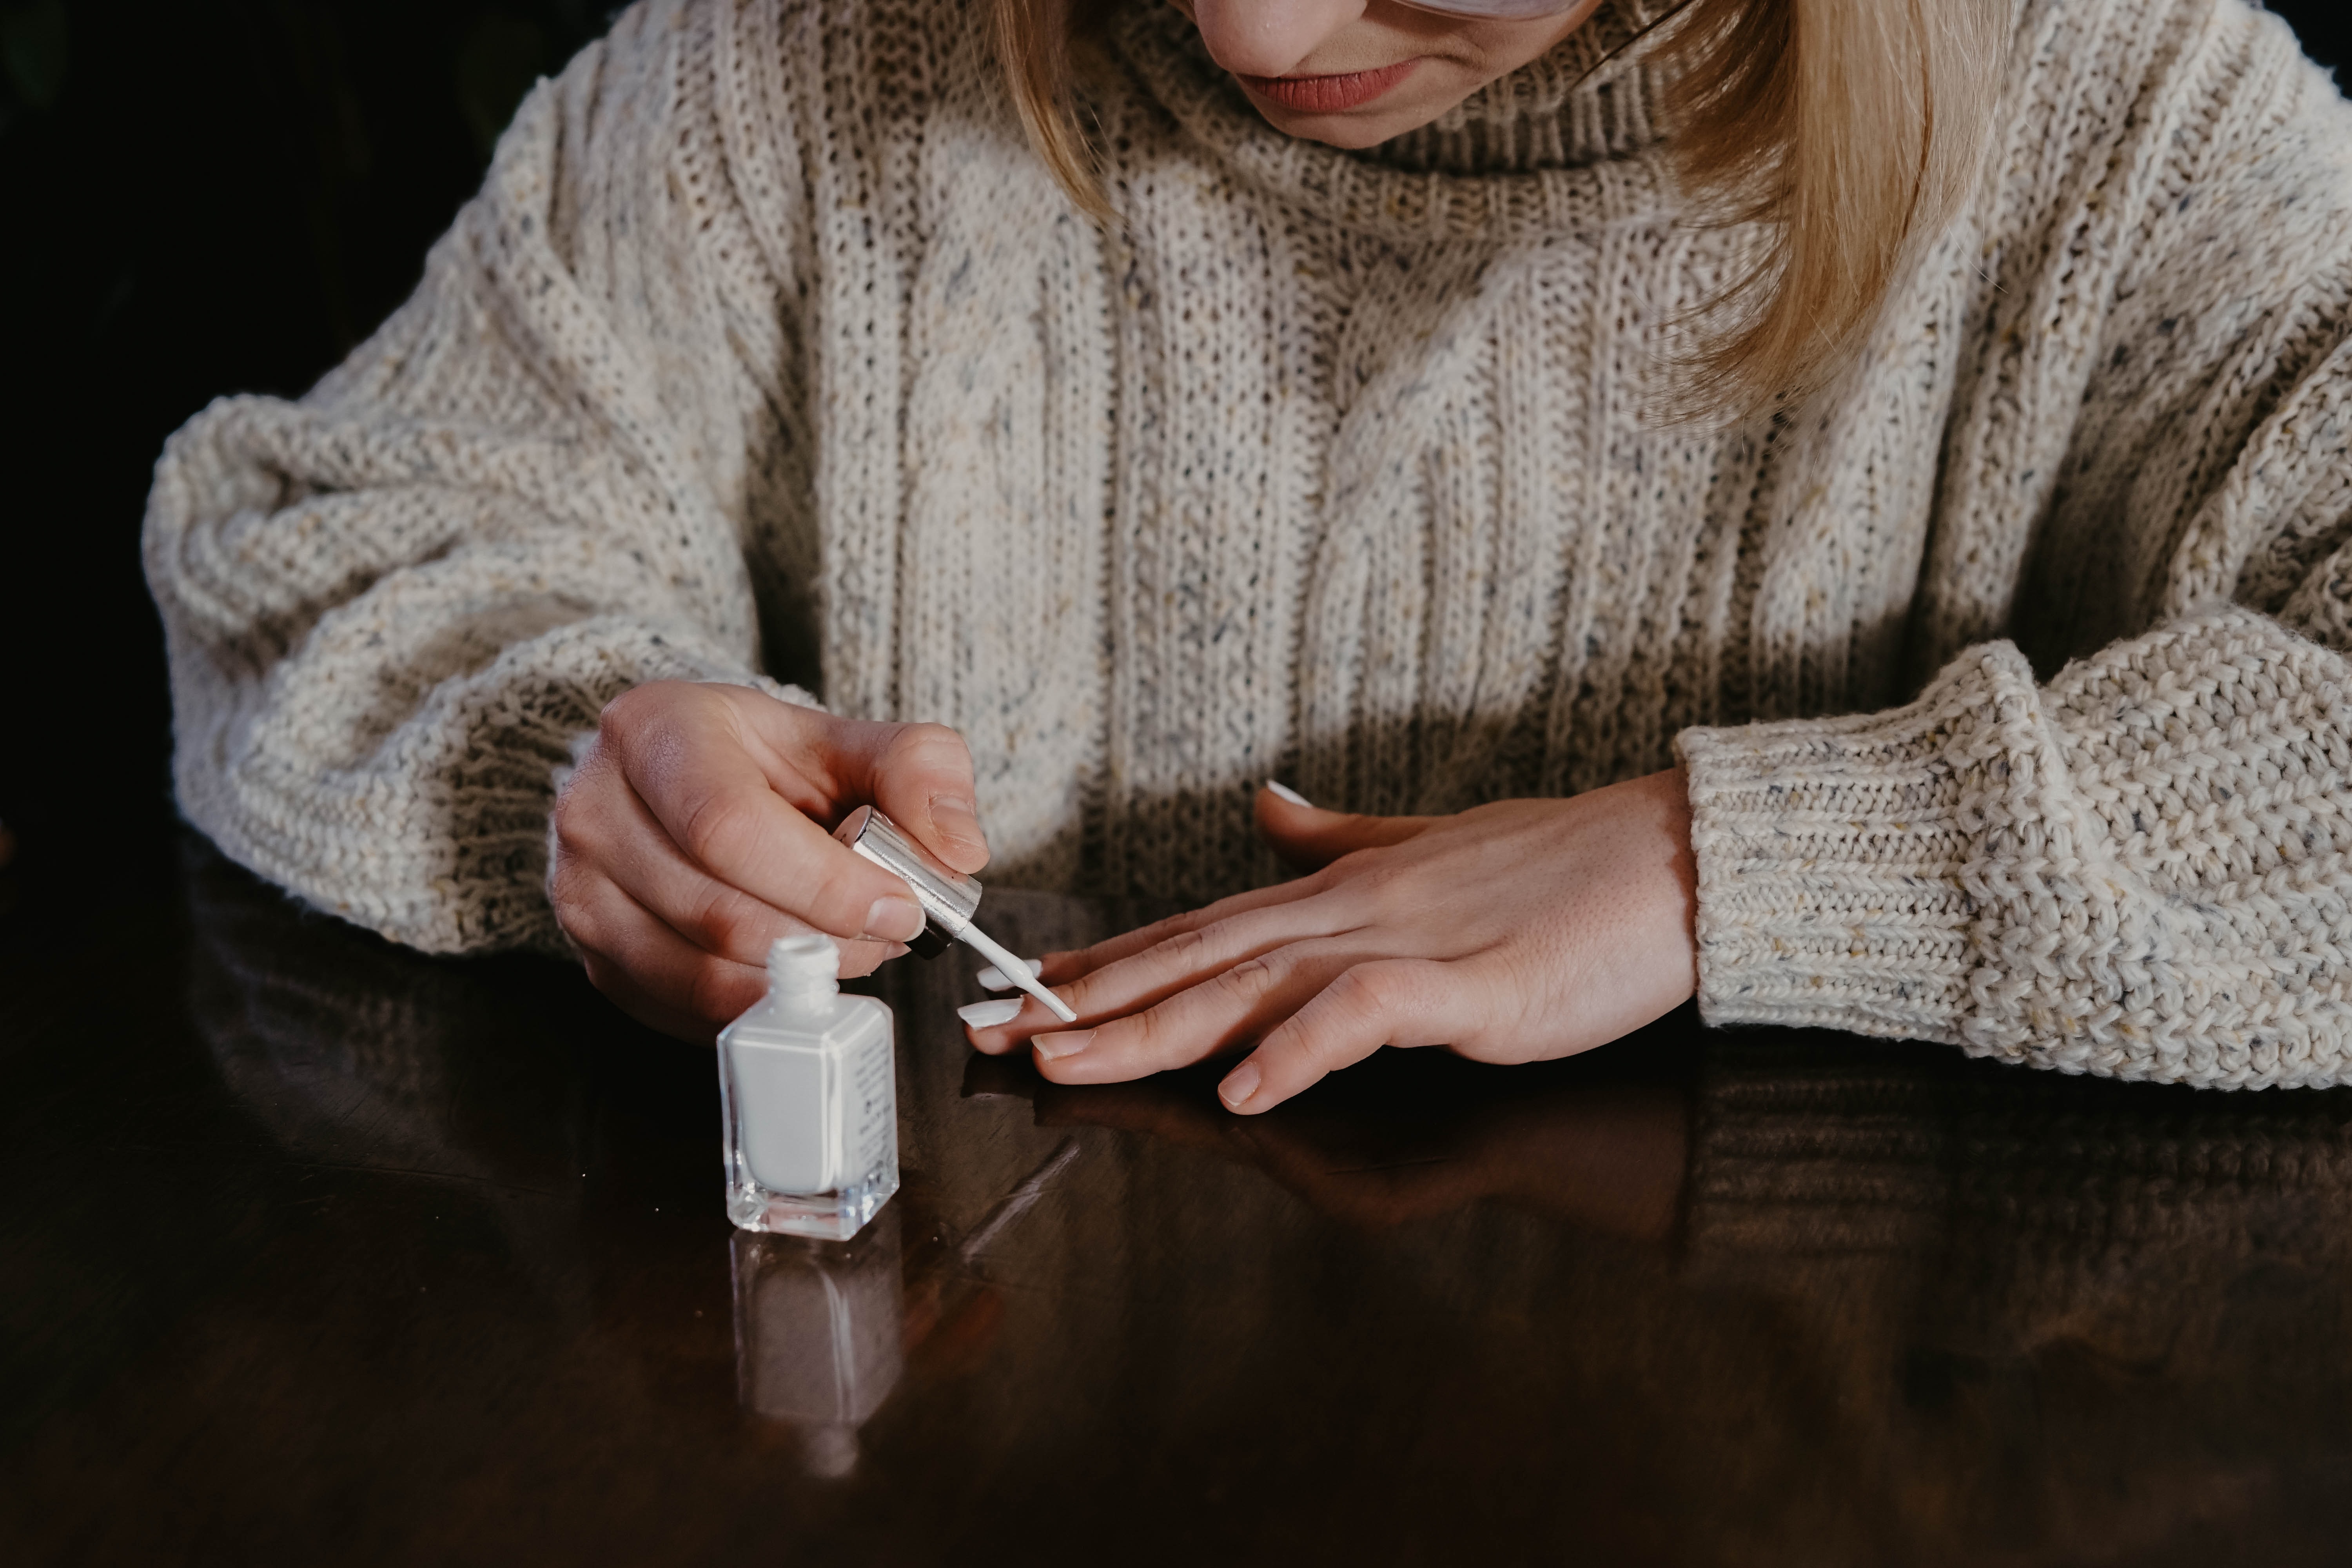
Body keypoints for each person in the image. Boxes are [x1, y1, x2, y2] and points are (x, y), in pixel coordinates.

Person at [144, 0, 2352, 1111]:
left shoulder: (2126, 120)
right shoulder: (807, 61)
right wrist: (569, 767)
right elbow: (318, 538)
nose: (1250, 30)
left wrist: (1734, 863)